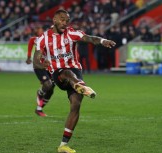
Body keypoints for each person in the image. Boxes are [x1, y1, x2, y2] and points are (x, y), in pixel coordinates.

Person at [36, 9, 116, 153]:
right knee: (67, 73)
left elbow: (90, 38)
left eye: (67, 20)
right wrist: (43, 63)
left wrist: (103, 41)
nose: (65, 23)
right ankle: (80, 85)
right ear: (54, 19)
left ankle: (63, 145)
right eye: (62, 19)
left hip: (75, 70)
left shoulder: (71, 33)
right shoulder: (43, 38)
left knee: (76, 105)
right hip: (58, 73)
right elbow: (37, 58)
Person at [26, 27, 55, 117]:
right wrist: (28, 57)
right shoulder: (35, 40)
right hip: (39, 66)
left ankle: (39, 109)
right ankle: (40, 92)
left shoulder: (54, 40)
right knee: (48, 85)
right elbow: (30, 45)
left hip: (50, 66)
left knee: (51, 89)